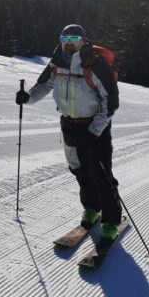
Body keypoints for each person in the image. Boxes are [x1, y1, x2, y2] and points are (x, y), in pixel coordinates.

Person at [16, 24, 122, 253]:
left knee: (101, 174)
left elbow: (110, 102)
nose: (69, 42)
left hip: (96, 127)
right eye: (65, 37)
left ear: (83, 41)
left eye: (74, 38)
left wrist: (95, 132)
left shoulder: (95, 64)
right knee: (79, 170)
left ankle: (111, 222)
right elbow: (42, 87)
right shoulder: (56, 64)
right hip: (69, 125)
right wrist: (27, 98)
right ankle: (92, 209)